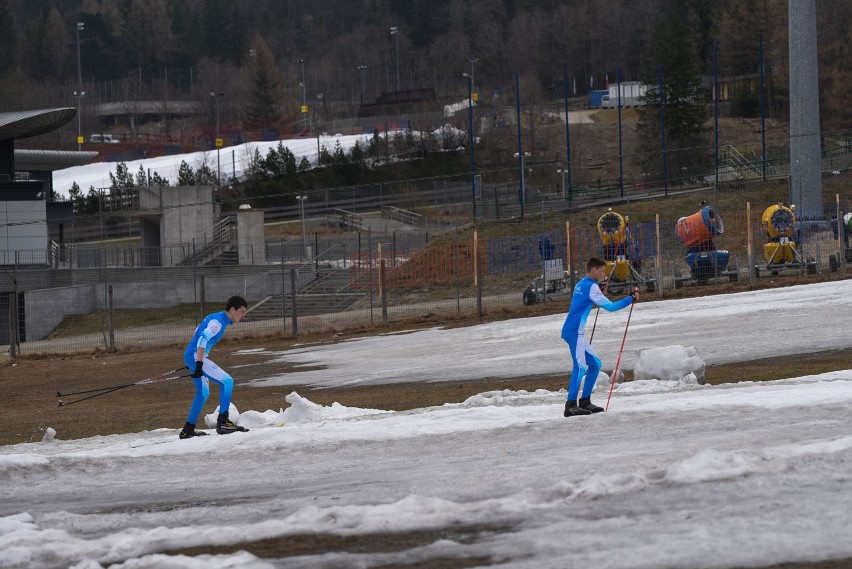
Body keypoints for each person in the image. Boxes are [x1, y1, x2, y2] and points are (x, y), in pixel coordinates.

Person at [560, 257, 636, 417]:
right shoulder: (591, 287)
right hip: (575, 332)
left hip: (573, 330)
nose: (604, 274)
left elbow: (586, 298)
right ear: (593, 270)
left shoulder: (583, 283)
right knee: (580, 367)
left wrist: (597, 289)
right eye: (602, 271)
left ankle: (585, 401)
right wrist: (630, 299)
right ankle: (570, 405)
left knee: (595, 364)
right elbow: (610, 307)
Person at [179, 295, 250, 439]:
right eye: (242, 312)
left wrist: (195, 360)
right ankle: (223, 422)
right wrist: (198, 363)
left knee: (203, 393)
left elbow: (198, 331)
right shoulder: (218, 322)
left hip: (193, 356)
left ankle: (188, 429)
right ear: (232, 309)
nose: (243, 315)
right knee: (227, 381)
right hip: (196, 357)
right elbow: (202, 338)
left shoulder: (216, 318)